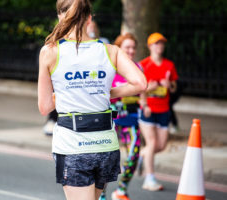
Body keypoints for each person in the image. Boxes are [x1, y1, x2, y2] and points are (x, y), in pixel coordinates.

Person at [38, 0, 147, 199]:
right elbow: (141, 83)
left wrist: (65, 94)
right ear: (89, 18)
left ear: (60, 16)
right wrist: (110, 92)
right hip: (106, 144)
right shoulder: (110, 50)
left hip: (73, 145)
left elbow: (45, 107)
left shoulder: (50, 52)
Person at [99, 33, 142, 200]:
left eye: (133, 47)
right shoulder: (110, 67)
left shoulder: (138, 68)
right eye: (127, 47)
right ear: (119, 49)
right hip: (111, 122)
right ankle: (101, 194)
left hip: (131, 120)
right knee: (107, 159)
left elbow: (142, 92)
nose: (131, 51)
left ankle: (121, 190)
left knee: (134, 155)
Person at [138, 32, 178, 191]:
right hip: (148, 109)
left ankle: (143, 154)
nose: (159, 46)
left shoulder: (169, 65)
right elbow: (139, 89)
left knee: (161, 146)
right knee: (152, 143)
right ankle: (149, 179)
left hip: (164, 109)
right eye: (156, 43)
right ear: (149, 46)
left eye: (161, 43)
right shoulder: (143, 65)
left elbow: (174, 88)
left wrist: (169, 85)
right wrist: (146, 98)